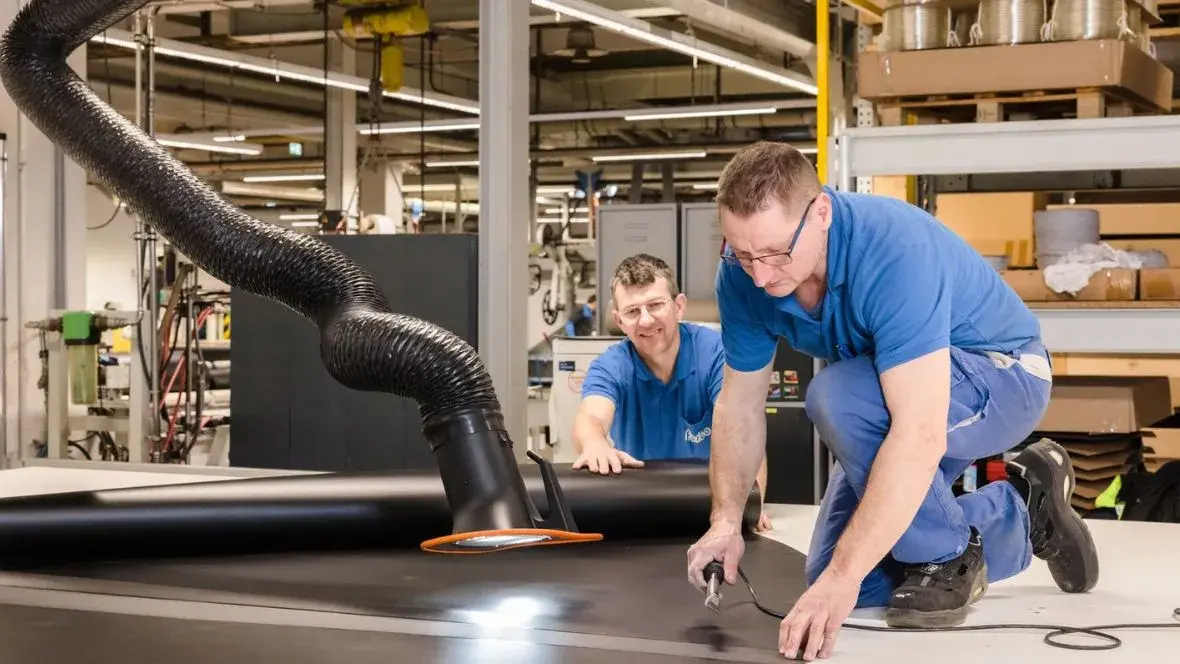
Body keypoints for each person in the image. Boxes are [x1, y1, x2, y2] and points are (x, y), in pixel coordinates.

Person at [684, 141, 1098, 661]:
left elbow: (918, 431)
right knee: (852, 580)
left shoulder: (892, 248)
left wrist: (843, 577)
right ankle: (1022, 510)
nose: (760, 276)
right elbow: (739, 405)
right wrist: (726, 520)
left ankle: (947, 555)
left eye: (774, 253)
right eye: (742, 253)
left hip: (1002, 375)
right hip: (892, 395)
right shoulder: (742, 275)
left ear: (822, 213)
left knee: (834, 398)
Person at [571, 253, 772, 532]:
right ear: (619, 320)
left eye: (655, 305)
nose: (645, 321)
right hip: (640, 509)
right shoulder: (611, 365)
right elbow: (591, 417)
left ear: (679, 306)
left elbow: (745, 427)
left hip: (716, 504)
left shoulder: (716, 353)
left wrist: (750, 504)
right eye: (632, 311)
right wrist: (594, 444)